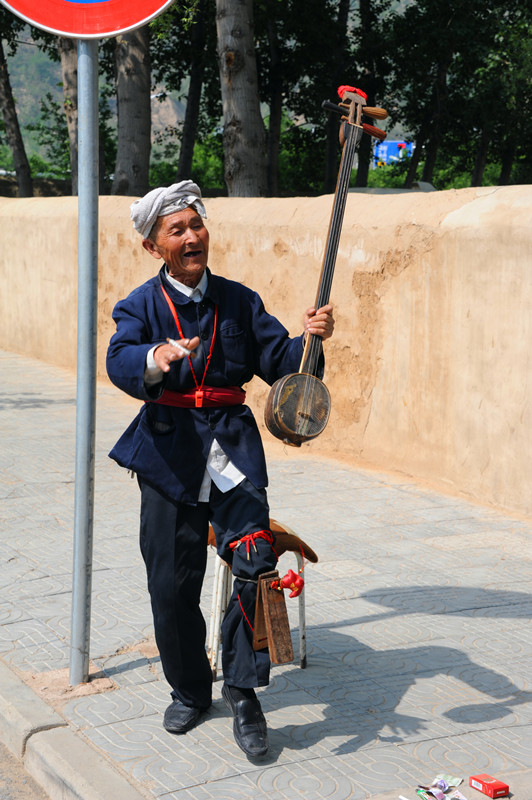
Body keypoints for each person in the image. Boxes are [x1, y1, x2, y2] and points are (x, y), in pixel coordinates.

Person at [106, 180, 334, 758]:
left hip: (233, 452)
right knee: (170, 584)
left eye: (196, 225)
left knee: (255, 568)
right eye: (176, 230)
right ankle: (189, 689)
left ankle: (245, 693)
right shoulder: (138, 306)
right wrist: (154, 358)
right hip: (167, 455)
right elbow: (120, 358)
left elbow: (281, 362)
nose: (191, 237)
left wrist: (309, 342)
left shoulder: (238, 300)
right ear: (153, 247)